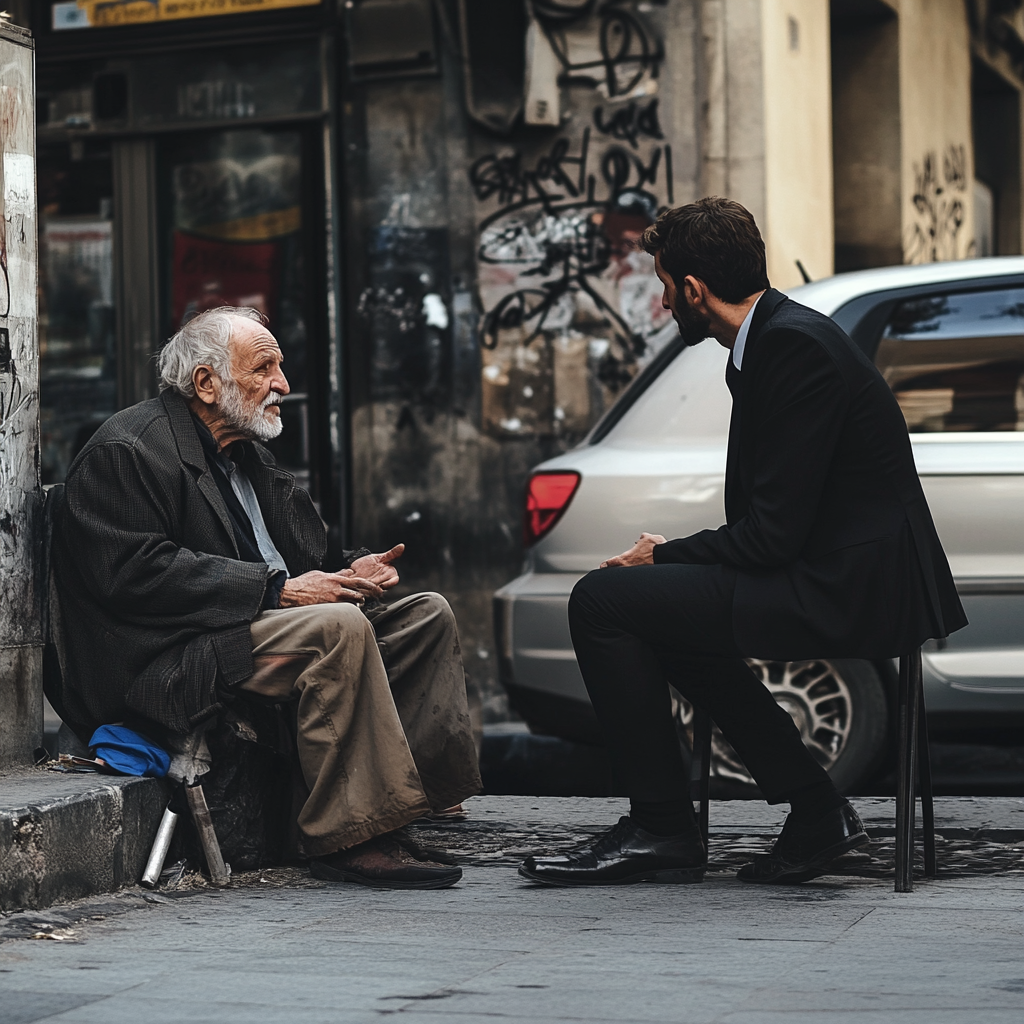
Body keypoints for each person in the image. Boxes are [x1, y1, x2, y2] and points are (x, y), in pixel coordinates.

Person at [519, 198, 966, 887]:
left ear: (695, 290)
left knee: (602, 601)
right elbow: (776, 525)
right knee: (653, 614)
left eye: (666, 285)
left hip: (850, 587)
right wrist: (673, 562)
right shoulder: (776, 338)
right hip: (824, 568)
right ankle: (812, 811)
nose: (663, 301)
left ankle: (664, 826)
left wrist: (663, 555)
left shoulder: (793, 346)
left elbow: (772, 536)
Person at [53, 307, 482, 890]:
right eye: (265, 368)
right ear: (206, 383)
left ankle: (415, 799)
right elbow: (134, 574)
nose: (282, 383)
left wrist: (348, 570)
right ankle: (355, 833)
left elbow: (298, 556)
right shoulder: (130, 450)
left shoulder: (244, 454)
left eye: (280, 366)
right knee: (336, 632)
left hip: (246, 626)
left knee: (423, 615)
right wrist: (277, 591)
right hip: (168, 658)